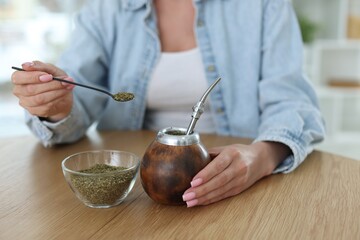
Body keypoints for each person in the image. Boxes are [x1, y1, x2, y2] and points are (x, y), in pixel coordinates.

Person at [11, 0, 325, 208]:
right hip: (133, 195)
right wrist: (56, 105)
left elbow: (291, 99)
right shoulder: (107, 8)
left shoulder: (262, 6)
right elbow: (78, 91)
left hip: (238, 184)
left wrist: (262, 156)